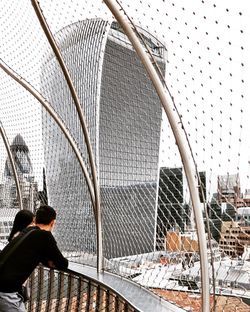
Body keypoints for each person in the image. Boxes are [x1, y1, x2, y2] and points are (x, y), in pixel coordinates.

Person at [0, 205, 68, 311]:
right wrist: (50, 261)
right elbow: (63, 264)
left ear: (35, 220)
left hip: (7, 289)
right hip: (7, 292)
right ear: (52, 223)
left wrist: (45, 260)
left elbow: (35, 253)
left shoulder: (27, 231)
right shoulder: (45, 236)